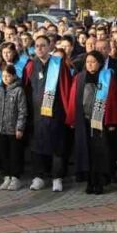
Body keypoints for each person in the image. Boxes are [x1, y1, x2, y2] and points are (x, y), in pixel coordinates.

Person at [67, 50, 117, 195]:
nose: (90, 64)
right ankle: (89, 182)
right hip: (84, 121)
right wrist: (72, 119)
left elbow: (114, 100)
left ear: (99, 63)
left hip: (101, 122)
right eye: (88, 62)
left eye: (93, 62)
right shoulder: (80, 78)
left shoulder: (107, 77)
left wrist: (112, 121)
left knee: (100, 152)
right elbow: (73, 100)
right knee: (86, 152)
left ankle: (99, 182)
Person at [27, 36, 73, 192]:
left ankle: (57, 178)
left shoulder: (59, 65)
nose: (39, 48)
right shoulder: (31, 65)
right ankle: (39, 177)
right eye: (37, 46)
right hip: (36, 114)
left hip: (56, 113)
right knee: (37, 145)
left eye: (43, 45)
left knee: (57, 146)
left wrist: (69, 114)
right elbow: (26, 90)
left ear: (49, 46)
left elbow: (66, 90)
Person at [0, 63, 27, 191]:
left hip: (13, 129)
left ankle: (15, 178)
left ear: (14, 76)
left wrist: (20, 128)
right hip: (0, 128)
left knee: (14, 154)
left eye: (8, 76)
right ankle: (6, 176)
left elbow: (22, 111)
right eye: (3, 76)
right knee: (3, 154)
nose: (5, 78)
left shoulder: (18, 90)